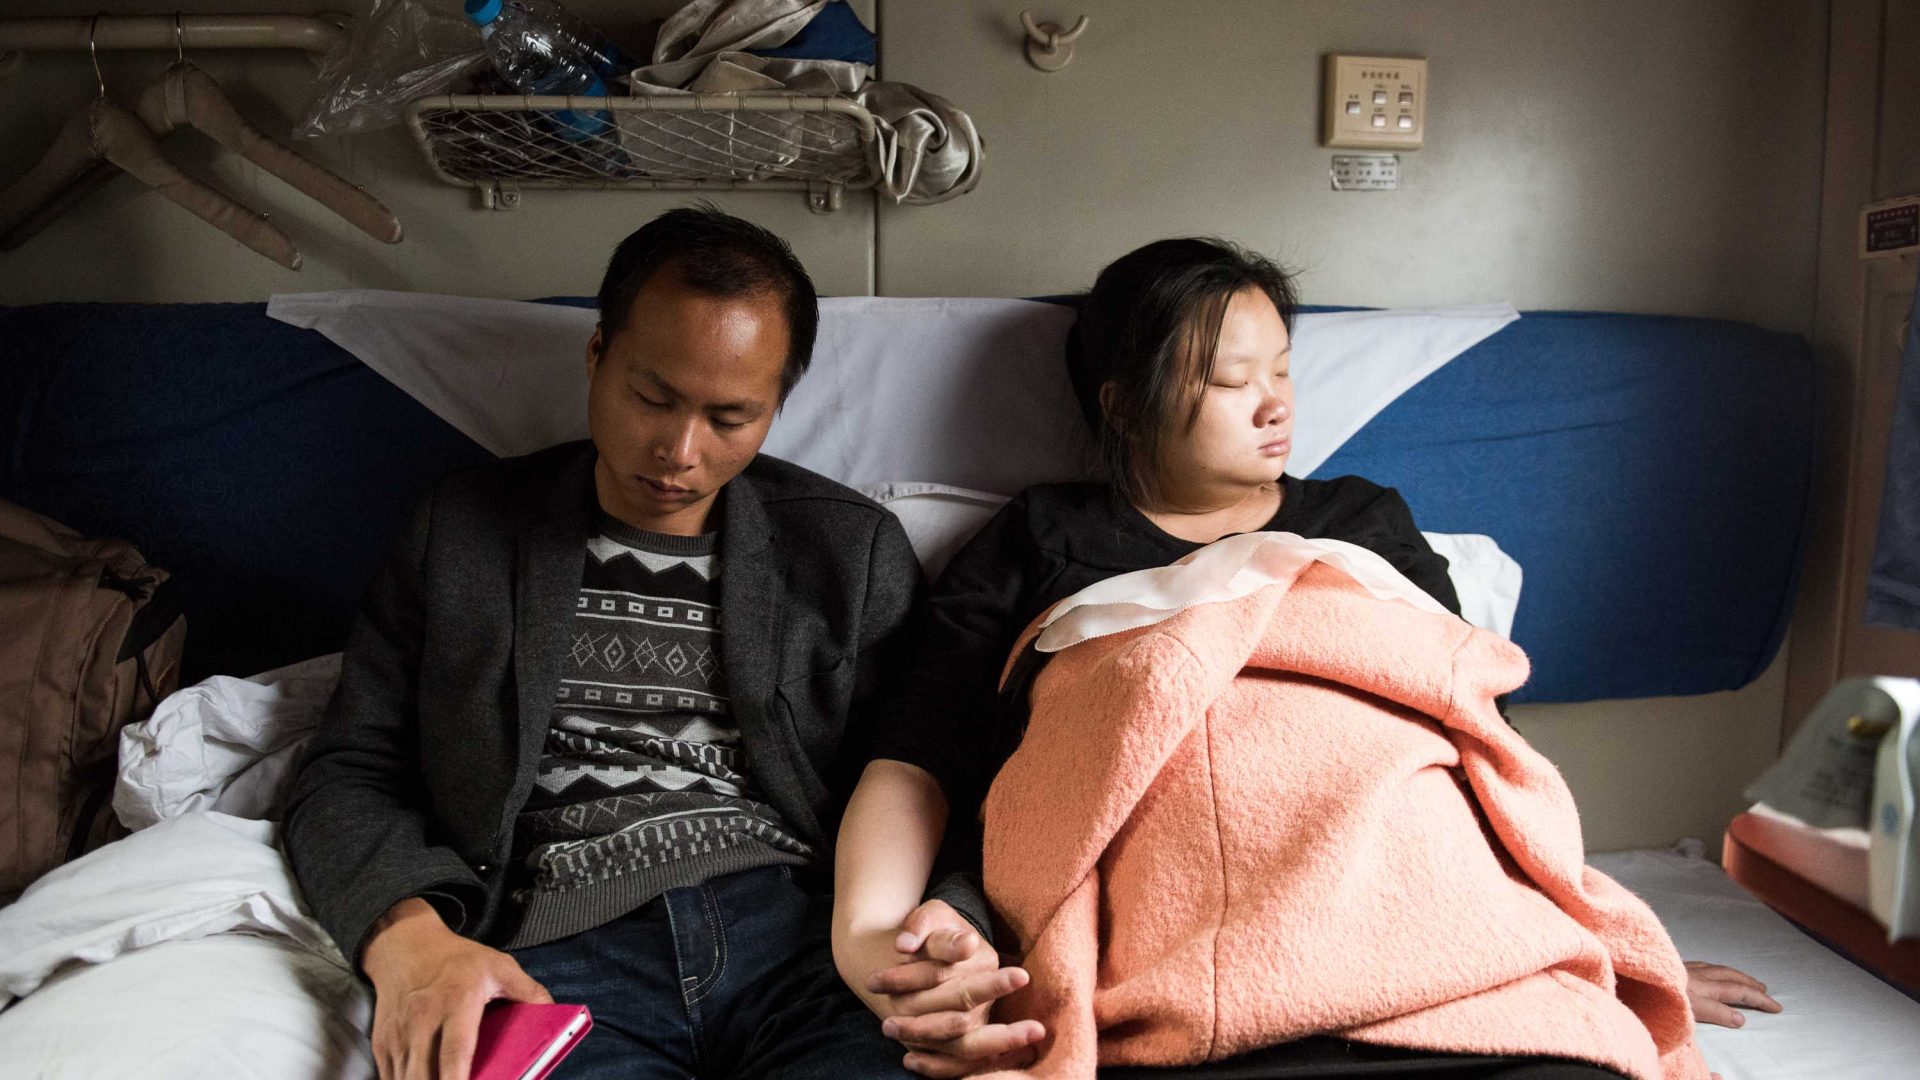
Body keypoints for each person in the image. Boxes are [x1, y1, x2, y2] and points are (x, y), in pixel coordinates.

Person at [834, 237, 1782, 1078]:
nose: (1274, 405)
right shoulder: (1041, 536)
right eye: (1229, 380)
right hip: (1162, 919)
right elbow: (926, 751)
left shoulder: (1360, 522)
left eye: (1282, 371)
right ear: (1125, 405)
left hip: (1400, 889)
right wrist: (882, 935)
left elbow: (1471, 736)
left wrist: (1601, 944)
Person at [283, 206, 1016, 1080]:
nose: (678, 451)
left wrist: (950, 917)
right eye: (651, 397)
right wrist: (406, 936)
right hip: (560, 949)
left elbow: (934, 768)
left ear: (778, 407)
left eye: (730, 418)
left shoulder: (847, 550)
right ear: (598, 357)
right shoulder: (463, 532)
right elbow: (350, 767)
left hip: (801, 942)